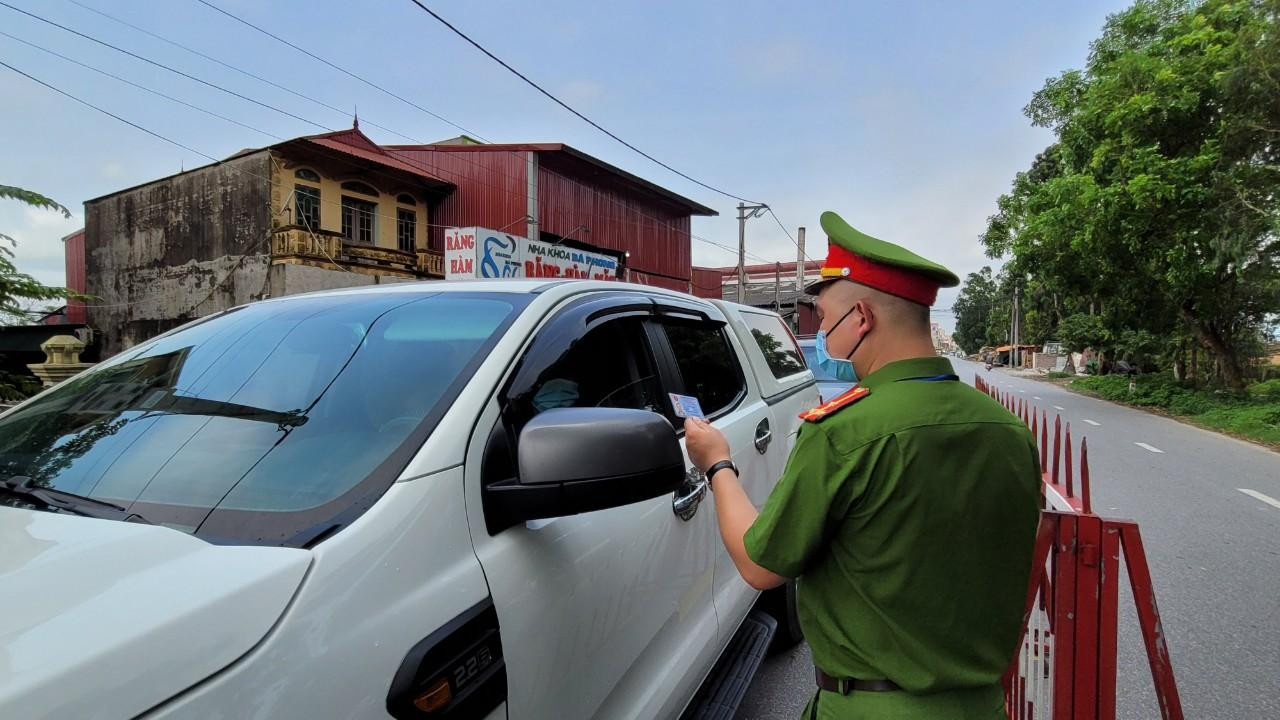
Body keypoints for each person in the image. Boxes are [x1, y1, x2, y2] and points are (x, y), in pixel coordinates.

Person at [685, 211, 1042, 719]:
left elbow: (760, 566)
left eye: (827, 321)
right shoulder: (1007, 431)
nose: (824, 335)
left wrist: (717, 464)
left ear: (862, 318)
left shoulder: (842, 432)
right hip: (982, 706)